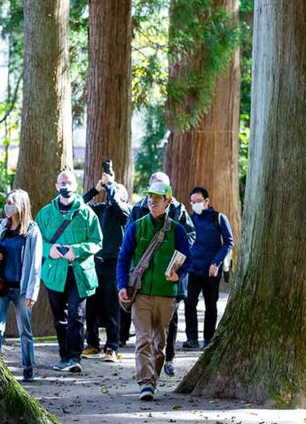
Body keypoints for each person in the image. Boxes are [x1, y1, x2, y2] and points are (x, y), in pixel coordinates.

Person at [117, 182, 191, 401]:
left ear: (167, 201)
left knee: (160, 343)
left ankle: (153, 378)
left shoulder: (177, 230)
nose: (152, 201)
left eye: (158, 198)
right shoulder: (136, 227)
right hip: (140, 294)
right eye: (150, 197)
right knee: (143, 339)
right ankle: (145, 383)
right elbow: (123, 258)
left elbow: (188, 259)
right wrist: (122, 285)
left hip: (166, 294)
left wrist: (179, 275)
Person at [36, 170, 103, 372]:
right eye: (62, 183)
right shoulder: (45, 213)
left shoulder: (86, 213)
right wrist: (49, 250)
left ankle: (74, 358)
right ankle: (63, 356)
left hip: (79, 272)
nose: (66, 186)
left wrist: (78, 250)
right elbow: (36, 241)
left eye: (70, 182)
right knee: (59, 317)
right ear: (57, 186)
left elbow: (97, 241)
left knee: (77, 314)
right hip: (55, 272)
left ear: (76, 186)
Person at [0, 189, 43, 382]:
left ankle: (28, 368)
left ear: (22, 205)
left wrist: (32, 293)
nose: (8, 207)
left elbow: (35, 265)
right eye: (7, 203)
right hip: (1, 286)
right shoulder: (2, 228)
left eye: (12, 203)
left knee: (24, 331)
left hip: (22, 289)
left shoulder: (32, 231)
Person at [81, 172, 131, 362]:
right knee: (91, 306)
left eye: (116, 191)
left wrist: (111, 187)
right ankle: (92, 343)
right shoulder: (100, 208)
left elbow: (118, 207)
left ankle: (112, 347)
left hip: (114, 264)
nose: (111, 193)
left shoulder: (125, 210)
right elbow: (79, 205)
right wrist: (96, 189)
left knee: (112, 307)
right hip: (95, 262)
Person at [183, 186, 234, 349]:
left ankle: (209, 339)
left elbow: (228, 242)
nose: (195, 204)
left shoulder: (218, 218)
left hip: (212, 270)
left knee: (211, 305)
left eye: (198, 201)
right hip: (193, 269)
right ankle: (192, 338)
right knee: (189, 303)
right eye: (192, 202)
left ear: (206, 201)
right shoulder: (189, 219)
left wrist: (216, 262)